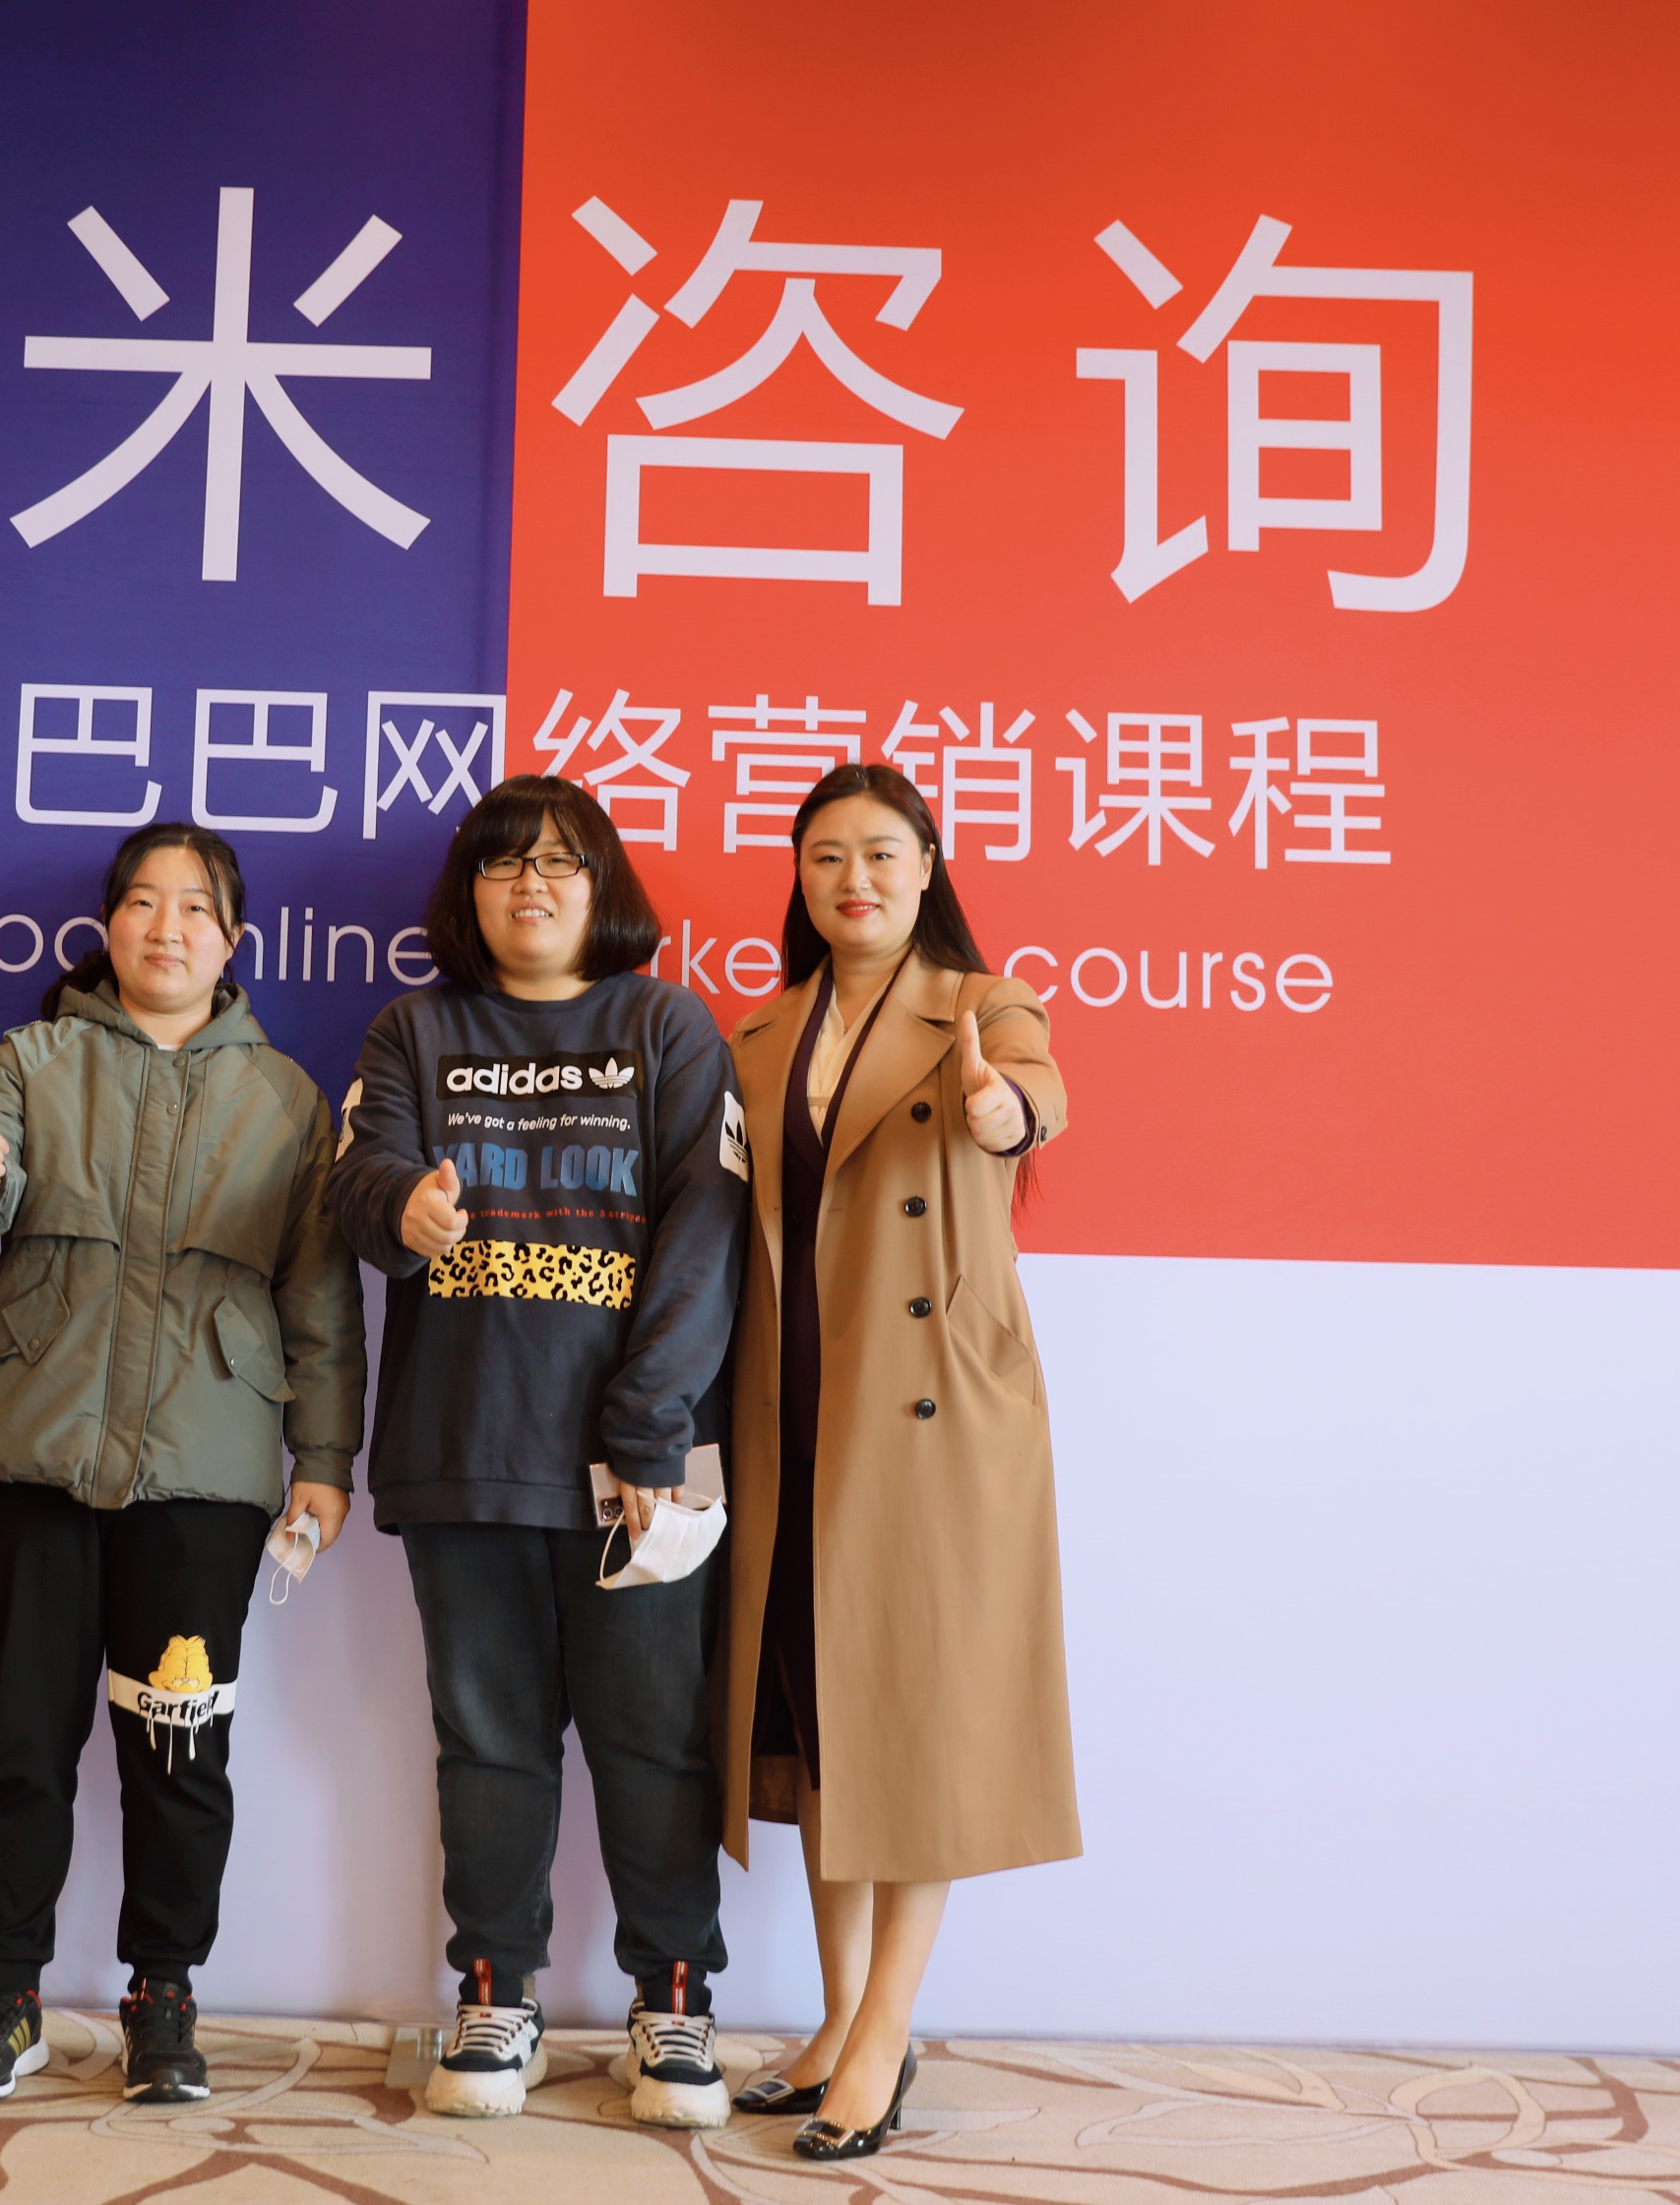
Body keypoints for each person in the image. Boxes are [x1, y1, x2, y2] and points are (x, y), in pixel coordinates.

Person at [0, 823, 364, 2107]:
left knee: (179, 1751)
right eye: (144, 904)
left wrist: (326, 1456)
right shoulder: (33, 1060)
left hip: (204, 1476)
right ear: (109, 928)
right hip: (31, 1458)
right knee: (19, 1744)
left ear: (233, 939)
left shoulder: (286, 1098)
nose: (168, 927)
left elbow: (320, 1295)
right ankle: (6, 1993)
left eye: (195, 908)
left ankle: (165, 1994)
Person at [324, 776, 745, 2130]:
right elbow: (358, 1180)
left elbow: (706, 1238)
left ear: (602, 887)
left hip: (643, 1462)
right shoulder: (416, 1029)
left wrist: (647, 1428)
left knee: (654, 1742)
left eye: (562, 862)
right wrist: (407, 1207)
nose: (533, 885)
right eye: (505, 864)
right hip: (465, 1447)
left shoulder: (666, 1026)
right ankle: (495, 1992)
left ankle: (673, 1999)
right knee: (490, 1747)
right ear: (471, 893)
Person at [717, 765, 1077, 2161]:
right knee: (827, 1719)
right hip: (794, 1398)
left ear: (928, 865)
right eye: (824, 857)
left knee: (915, 1721)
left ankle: (885, 2034)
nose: (851, 879)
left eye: (879, 853)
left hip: (929, 1414)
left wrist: (1004, 1113)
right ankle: (837, 2015)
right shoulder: (762, 1033)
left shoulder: (985, 1006)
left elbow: (1034, 1095)